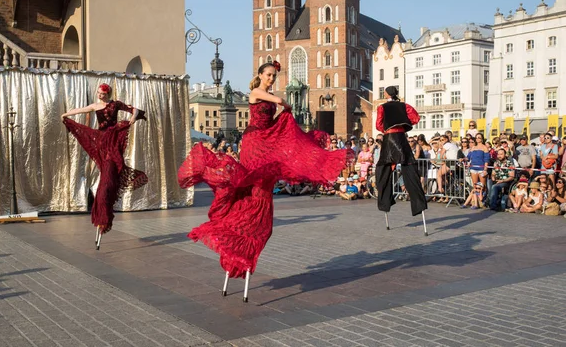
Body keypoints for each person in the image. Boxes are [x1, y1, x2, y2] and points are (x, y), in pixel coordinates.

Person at [178, 62, 349, 282]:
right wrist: (285, 105)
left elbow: (275, 110)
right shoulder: (255, 92)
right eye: (269, 75)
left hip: (264, 141)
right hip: (254, 142)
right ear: (259, 75)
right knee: (253, 186)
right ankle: (237, 229)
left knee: (261, 192)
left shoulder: (266, 93)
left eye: (274, 76)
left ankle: (247, 235)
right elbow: (278, 101)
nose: (271, 79)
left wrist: (284, 116)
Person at [61, 83, 148, 235]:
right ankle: (103, 212)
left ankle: (105, 209)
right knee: (106, 177)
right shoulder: (95, 106)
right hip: (101, 141)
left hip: (113, 140)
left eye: (102, 94)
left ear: (107, 94)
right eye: (98, 93)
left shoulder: (116, 104)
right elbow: (80, 110)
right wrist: (66, 115)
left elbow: (134, 110)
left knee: (109, 176)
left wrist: (133, 118)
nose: (99, 95)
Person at [375, 86, 427, 216]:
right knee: (409, 167)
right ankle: (418, 204)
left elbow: (378, 125)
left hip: (389, 138)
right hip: (401, 138)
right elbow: (415, 118)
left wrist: (387, 129)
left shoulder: (382, 107)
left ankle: (385, 202)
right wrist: (403, 124)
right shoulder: (405, 106)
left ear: (387, 94)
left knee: (383, 169)